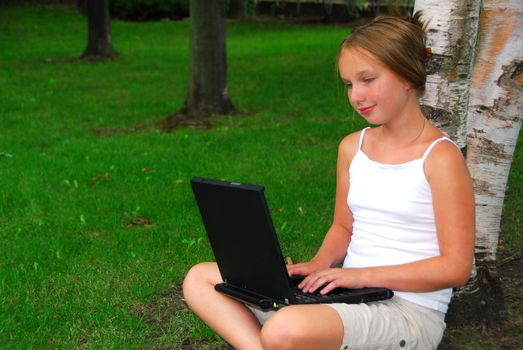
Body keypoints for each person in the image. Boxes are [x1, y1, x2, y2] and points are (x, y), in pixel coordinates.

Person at [182, 11, 475, 350]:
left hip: (408, 310)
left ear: (407, 76)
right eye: (350, 84)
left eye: (368, 80)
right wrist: (317, 267)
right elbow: (343, 228)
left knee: (284, 329)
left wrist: (359, 276)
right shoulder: (353, 148)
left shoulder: (440, 158)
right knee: (200, 278)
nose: (356, 96)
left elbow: (456, 268)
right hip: (349, 296)